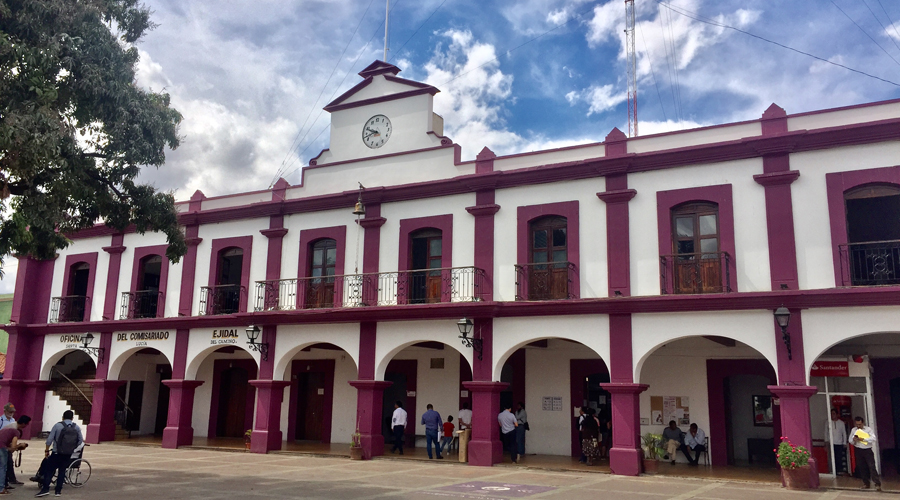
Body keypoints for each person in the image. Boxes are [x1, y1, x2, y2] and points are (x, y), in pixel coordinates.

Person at [36, 410, 84, 498]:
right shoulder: (76, 427)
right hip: (67, 454)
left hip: (56, 453)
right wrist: (72, 448)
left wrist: (46, 450)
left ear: (62, 417)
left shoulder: (57, 425)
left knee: (49, 470)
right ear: (72, 418)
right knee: (62, 471)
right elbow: (80, 440)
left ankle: (45, 489)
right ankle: (58, 491)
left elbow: (49, 440)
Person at [0, 415, 30, 496]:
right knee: (3, 468)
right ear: (23, 423)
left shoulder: (10, 427)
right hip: (1, 447)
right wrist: (20, 446)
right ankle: (1, 488)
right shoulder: (15, 430)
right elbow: (12, 447)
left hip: (3, 446)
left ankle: (4, 484)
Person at [849, 416, 881, 491]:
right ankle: (866, 483)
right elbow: (850, 440)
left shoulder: (868, 429)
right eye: (857, 424)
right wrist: (854, 440)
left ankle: (877, 483)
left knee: (871, 466)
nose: (858, 426)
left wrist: (863, 439)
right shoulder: (854, 430)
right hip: (858, 449)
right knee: (861, 467)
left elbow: (873, 438)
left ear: (863, 423)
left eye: (860, 424)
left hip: (867, 450)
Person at [0, 405, 22, 489]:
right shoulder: (1, 420)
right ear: (5, 411)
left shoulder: (13, 421)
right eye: (10, 411)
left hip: (9, 443)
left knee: (9, 463)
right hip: (2, 444)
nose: (11, 413)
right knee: (3, 465)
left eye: (12, 412)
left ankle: (10, 479)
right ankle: (4, 484)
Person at [826, 409, 847, 475]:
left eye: (834, 413)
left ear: (837, 414)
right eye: (831, 414)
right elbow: (826, 433)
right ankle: (832, 471)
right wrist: (826, 442)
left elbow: (844, 433)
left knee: (839, 457)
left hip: (839, 443)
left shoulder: (841, 423)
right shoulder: (828, 422)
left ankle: (839, 471)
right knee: (831, 457)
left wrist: (844, 442)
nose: (832, 415)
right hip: (831, 443)